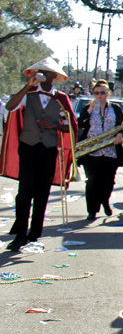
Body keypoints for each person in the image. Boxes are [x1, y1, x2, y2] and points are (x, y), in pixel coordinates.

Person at [1, 57, 76, 252]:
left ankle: (34, 234)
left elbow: (71, 126)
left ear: (53, 76)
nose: (41, 76)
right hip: (28, 147)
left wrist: (55, 125)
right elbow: (10, 107)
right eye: (38, 72)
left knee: (42, 191)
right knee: (25, 191)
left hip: (48, 149)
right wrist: (27, 86)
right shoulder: (28, 94)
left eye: (45, 72)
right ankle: (20, 234)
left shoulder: (60, 98)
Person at [76, 79, 123, 220]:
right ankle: (92, 210)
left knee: (108, 181)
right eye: (97, 93)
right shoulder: (89, 107)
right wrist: (89, 111)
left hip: (110, 150)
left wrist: (120, 134)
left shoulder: (115, 108)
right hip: (92, 151)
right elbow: (80, 123)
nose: (100, 95)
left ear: (108, 93)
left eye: (103, 93)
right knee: (93, 181)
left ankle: (104, 200)